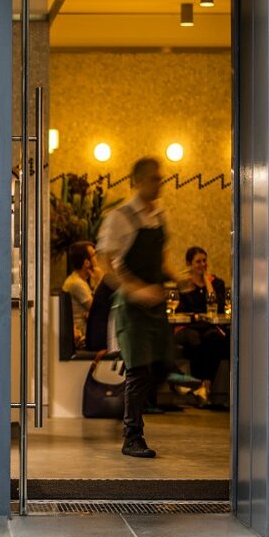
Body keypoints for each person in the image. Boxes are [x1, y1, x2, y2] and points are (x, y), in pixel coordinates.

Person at [97, 157, 180, 459]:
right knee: (139, 371)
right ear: (139, 181)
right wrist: (136, 289)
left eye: (161, 178)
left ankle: (130, 416)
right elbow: (104, 263)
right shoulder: (120, 217)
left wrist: (177, 278)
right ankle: (132, 436)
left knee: (164, 364)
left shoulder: (158, 216)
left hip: (155, 306)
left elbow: (162, 259)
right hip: (131, 308)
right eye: (155, 178)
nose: (160, 183)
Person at [174, 246, 229, 405]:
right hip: (191, 328)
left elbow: (218, 306)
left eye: (204, 261)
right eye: (198, 261)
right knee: (195, 339)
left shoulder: (217, 283)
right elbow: (181, 310)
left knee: (214, 338)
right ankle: (201, 388)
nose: (202, 264)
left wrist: (207, 281)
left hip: (211, 327)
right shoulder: (185, 285)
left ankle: (205, 386)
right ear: (189, 263)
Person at [61, 241, 100, 347]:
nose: (97, 259)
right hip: (81, 340)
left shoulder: (80, 281)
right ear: (86, 263)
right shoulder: (77, 284)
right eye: (94, 255)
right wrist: (99, 281)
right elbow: (99, 310)